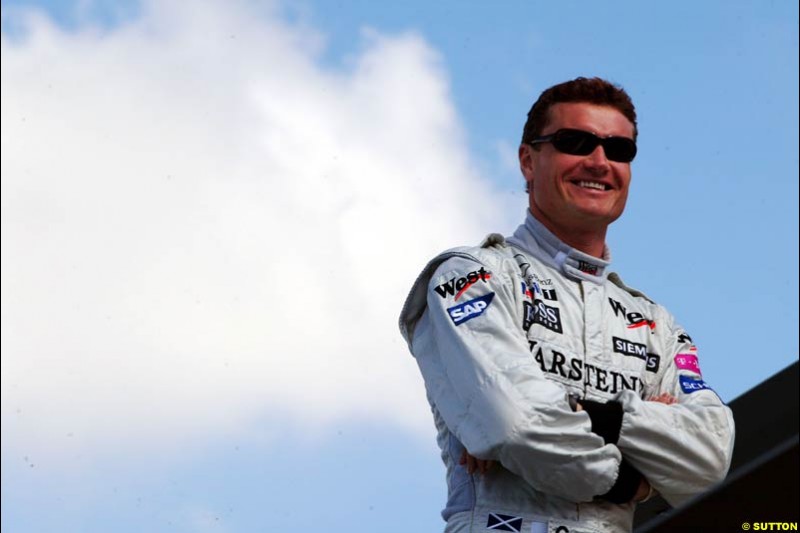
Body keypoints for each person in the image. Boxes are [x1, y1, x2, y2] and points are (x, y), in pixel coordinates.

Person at [398, 77, 735, 533]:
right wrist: (639, 481)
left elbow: (709, 459)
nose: (599, 162)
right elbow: (521, 428)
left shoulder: (656, 325)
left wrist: (599, 415)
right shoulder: (472, 277)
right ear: (527, 160)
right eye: (575, 142)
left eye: (619, 150)